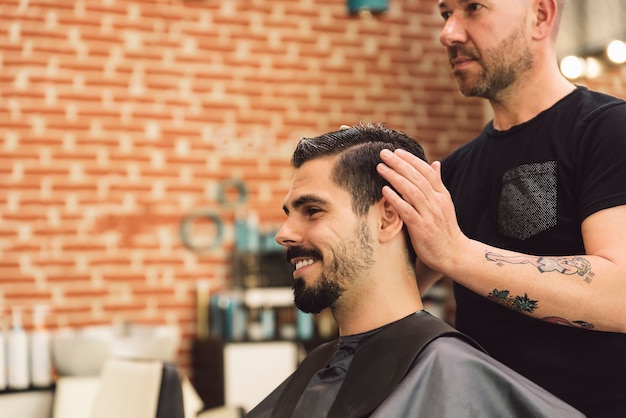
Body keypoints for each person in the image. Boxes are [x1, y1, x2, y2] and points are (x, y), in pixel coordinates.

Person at [376, 1, 626, 417]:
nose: (449, 33)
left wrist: (456, 253)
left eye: (473, 8)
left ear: (540, 16)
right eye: (445, 13)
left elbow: (620, 294)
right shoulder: (456, 169)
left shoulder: (605, 131)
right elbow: (390, 292)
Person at [245, 123, 583, 418]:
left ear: (388, 217)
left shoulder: (446, 371)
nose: (283, 233)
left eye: (313, 211)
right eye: (289, 212)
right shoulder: (321, 365)